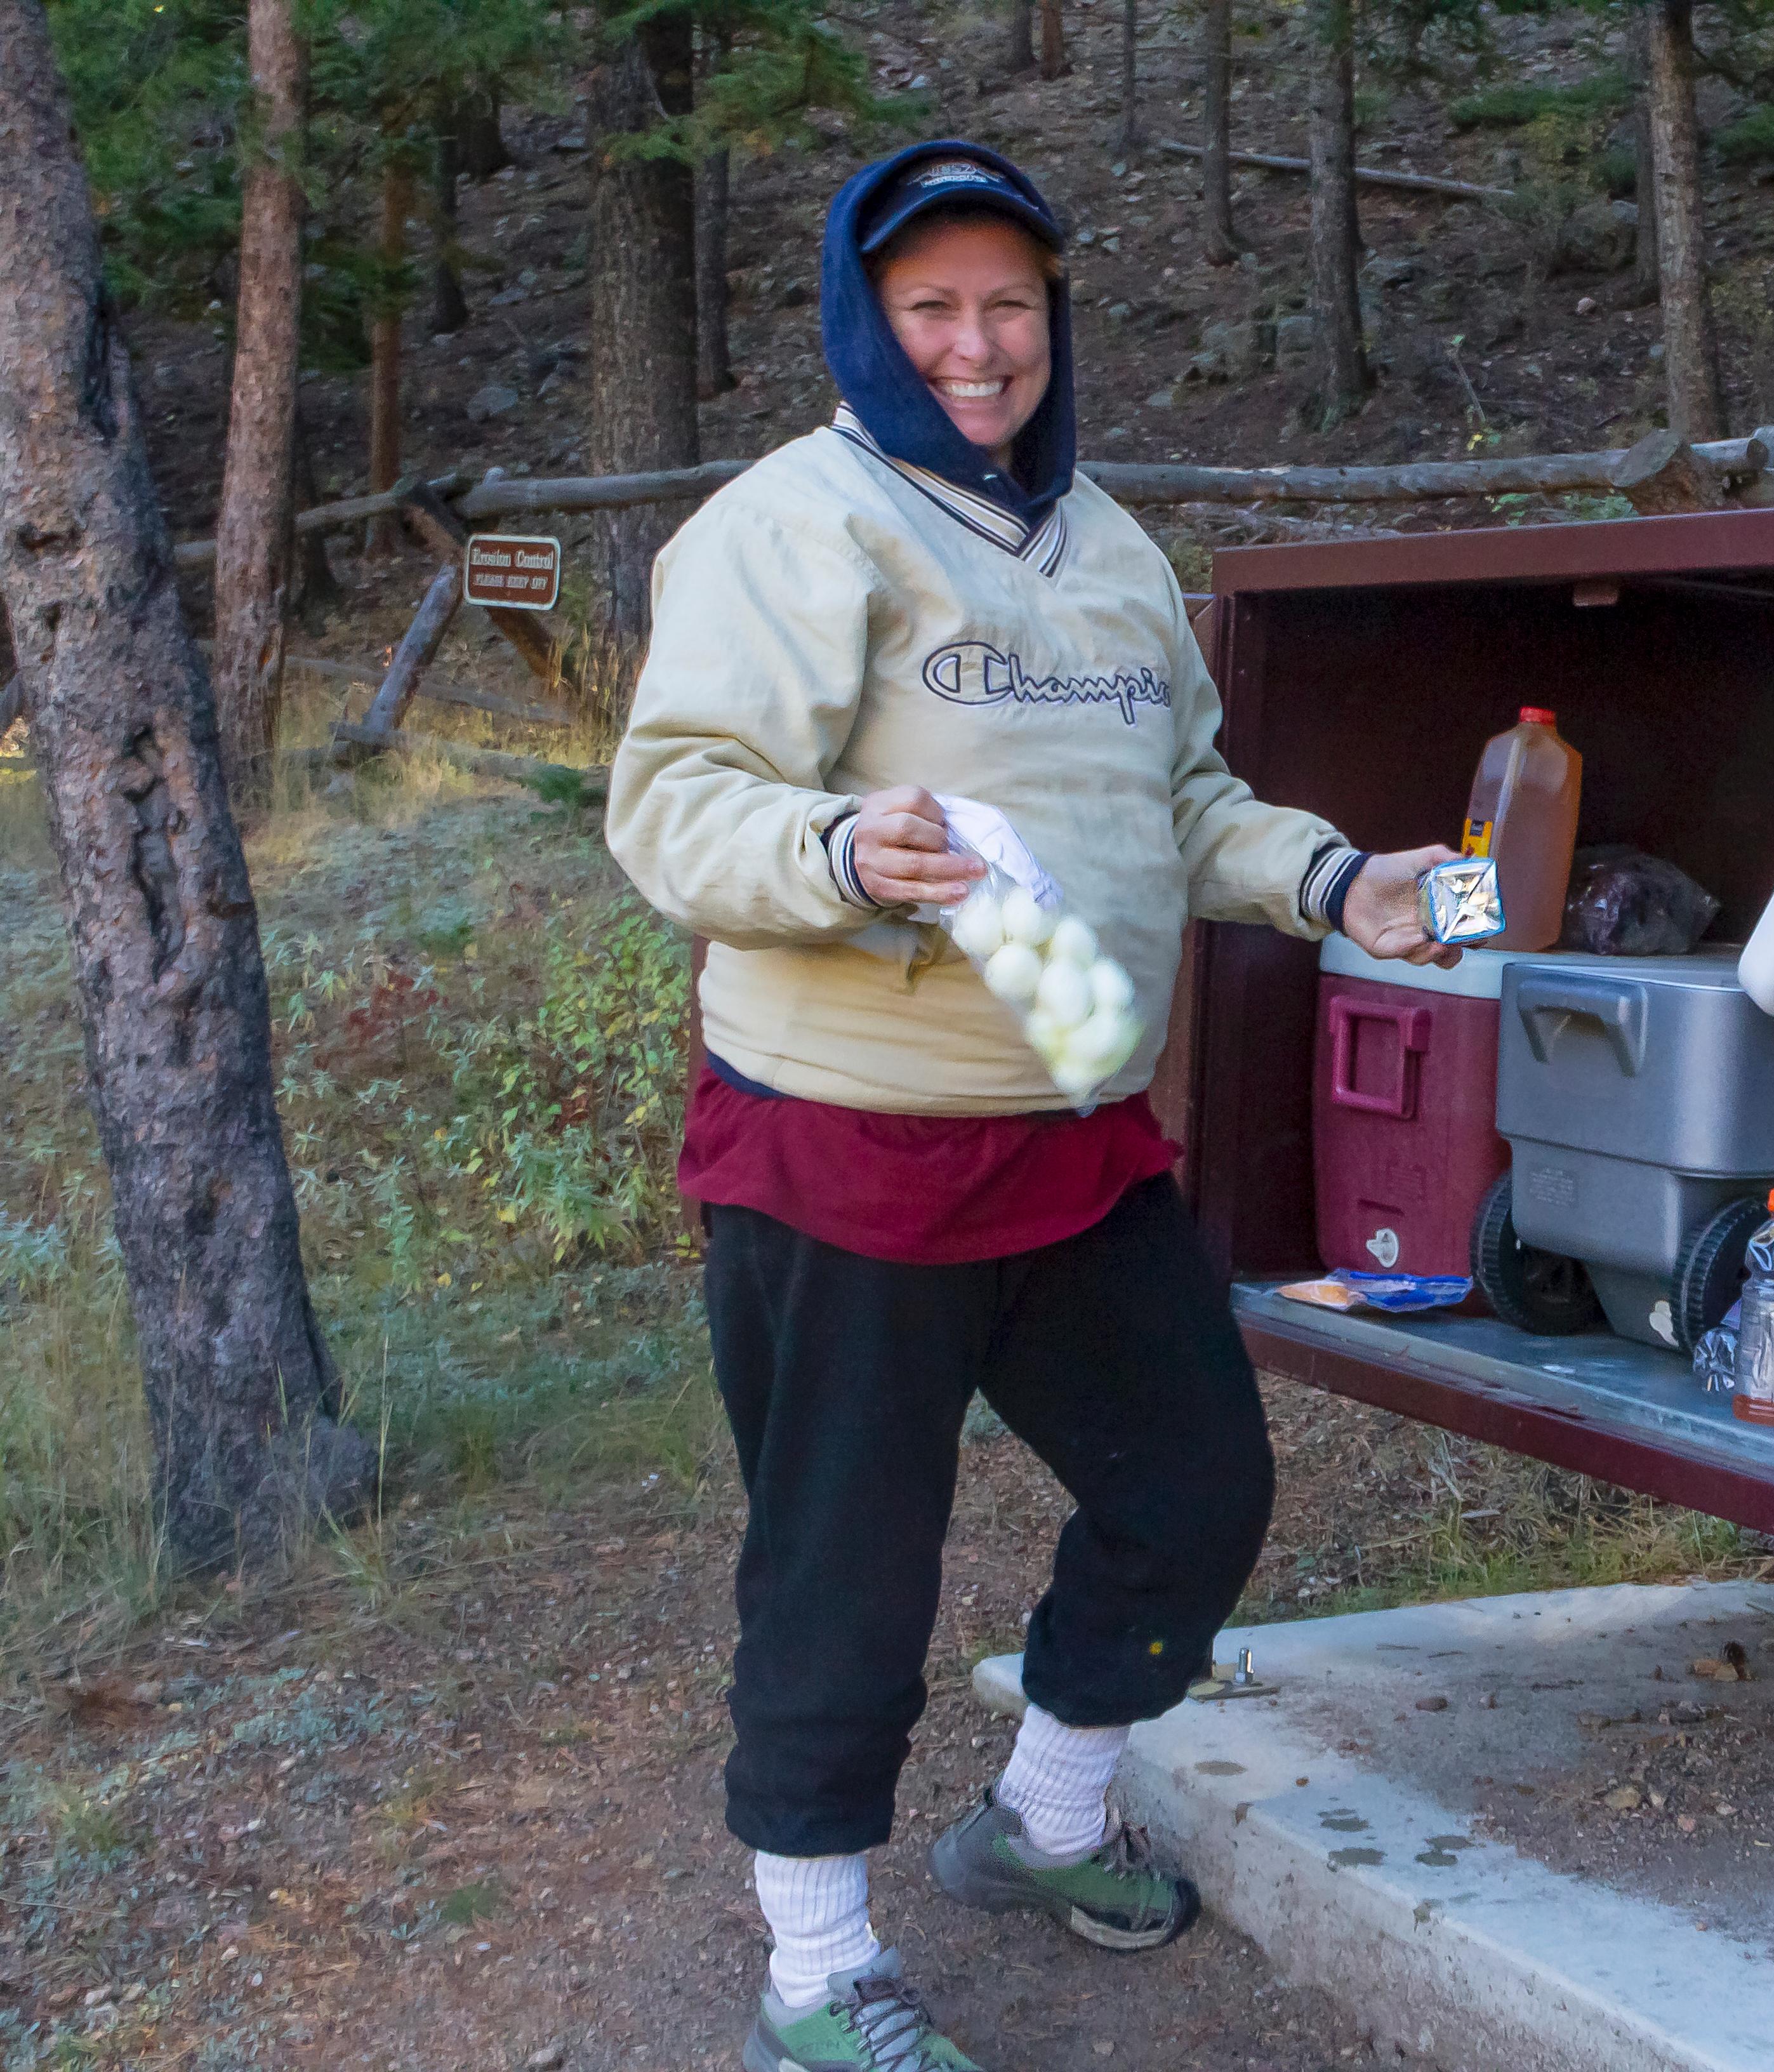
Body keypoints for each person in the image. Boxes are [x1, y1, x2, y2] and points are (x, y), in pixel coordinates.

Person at [606, 140, 1455, 2072]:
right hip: (846, 1148)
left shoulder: (1113, 550)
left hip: (1075, 1149)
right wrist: (843, 845)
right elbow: (673, 806)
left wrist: (1340, 884)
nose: (979, 346)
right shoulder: (793, 525)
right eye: (934, 307)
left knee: (1197, 1486)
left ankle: (1044, 1821)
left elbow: (1186, 803)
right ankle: (817, 1974)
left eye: (1010, 305)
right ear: (867, 319)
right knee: (848, 1566)